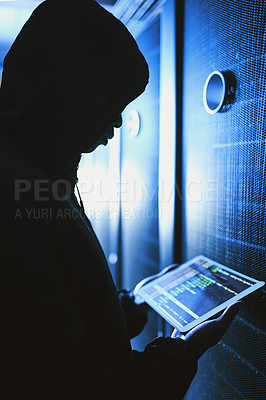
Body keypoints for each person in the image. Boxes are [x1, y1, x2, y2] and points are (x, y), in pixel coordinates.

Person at [0, 1, 242, 399]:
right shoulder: (14, 193)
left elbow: (53, 319)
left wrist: (128, 309)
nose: (117, 121)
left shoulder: (39, 169)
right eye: (110, 98)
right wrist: (183, 352)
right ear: (66, 88)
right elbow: (60, 386)